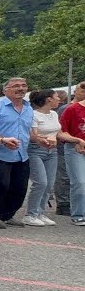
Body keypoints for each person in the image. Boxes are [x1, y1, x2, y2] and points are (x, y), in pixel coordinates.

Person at [0, 78, 33, 228]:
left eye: (24, 86)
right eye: (16, 86)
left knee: (20, 188)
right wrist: (3, 140)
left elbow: (27, 130)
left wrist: (40, 139)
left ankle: (8, 215)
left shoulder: (28, 108)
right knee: (0, 186)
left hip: (22, 154)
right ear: (5, 90)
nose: (21, 88)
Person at [24, 90, 64, 226]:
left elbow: (58, 132)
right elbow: (33, 135)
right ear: (48, 99)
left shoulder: (53, 114)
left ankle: (40, 212)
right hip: (36, 150)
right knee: (41, 182)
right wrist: (46, 140)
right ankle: (31, 214)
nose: (59, 99)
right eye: (56, 97)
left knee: (49, 184)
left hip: (52, 151)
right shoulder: (33, 115)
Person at [59, 83, 85, 226]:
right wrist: (76, 140)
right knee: (79, 182)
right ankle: (78, 214)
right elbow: (61, 132)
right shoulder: (73, 109)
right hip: (75, 149)